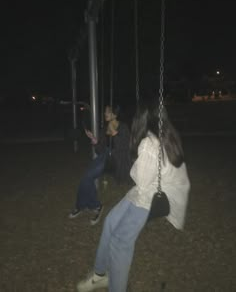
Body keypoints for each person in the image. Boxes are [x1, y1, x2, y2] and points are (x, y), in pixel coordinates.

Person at [76, 99, 190, 292]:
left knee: (120, 241)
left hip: (158, 195)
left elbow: (139, 178)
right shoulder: (167, 134)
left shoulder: (149, 143)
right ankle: (100, 275)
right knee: (110, 221)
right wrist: (100, 141)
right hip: (150, 187)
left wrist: (134, 157)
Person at [69, 104, 132, 226]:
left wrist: (114, 134)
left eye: (107, 112)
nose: (105, 114)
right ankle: (87, 205)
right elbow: (100, 149)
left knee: (87, 177)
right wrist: (94, 140)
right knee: (86, 177)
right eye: (105, 112)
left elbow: (124, 148)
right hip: (104, 156)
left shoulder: (123, 127)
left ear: (114, 114)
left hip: (115, 160)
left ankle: (91, 206)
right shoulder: (104, 129)